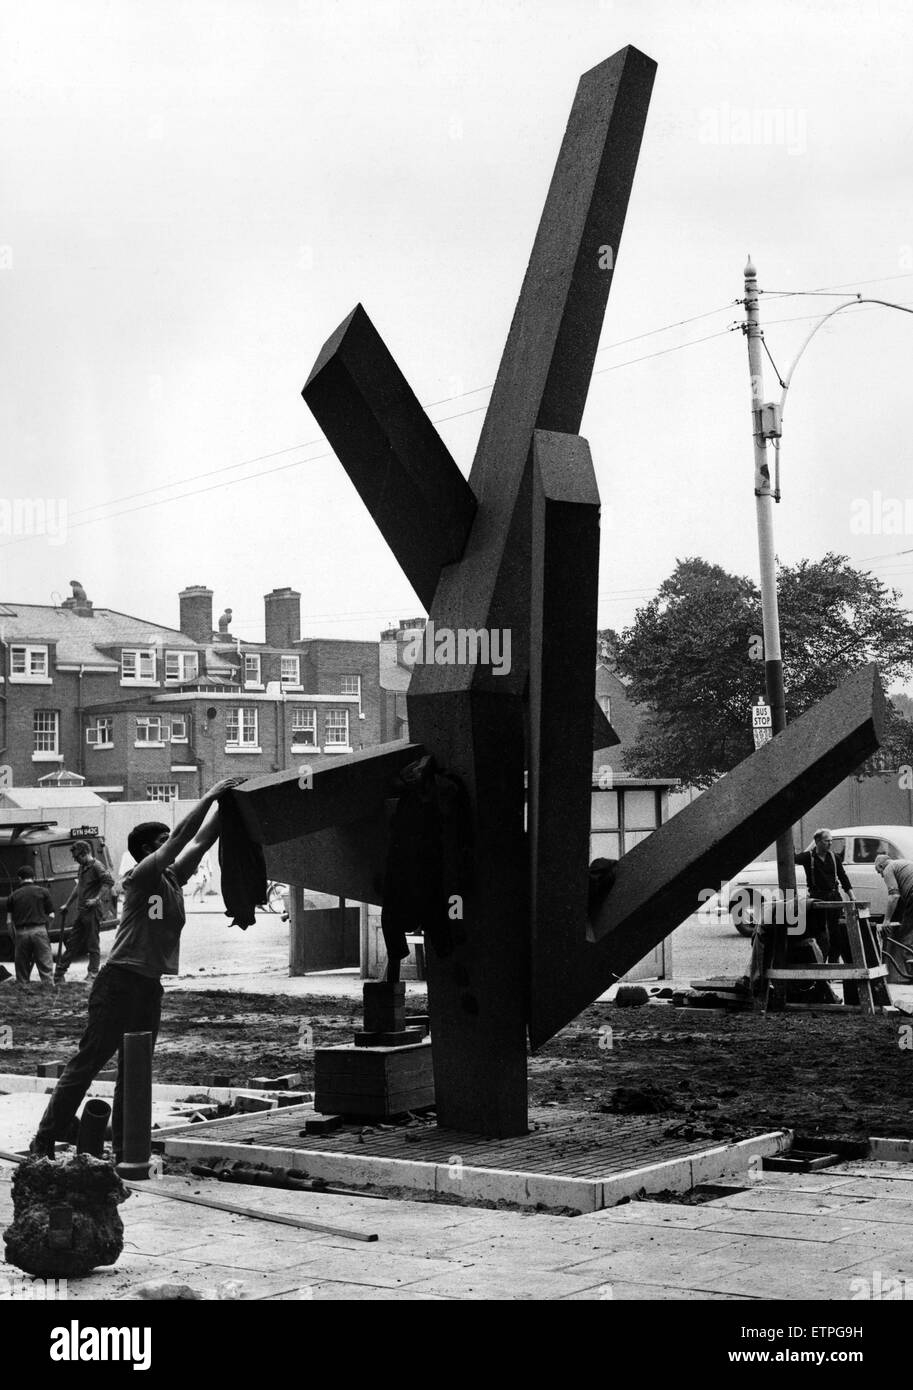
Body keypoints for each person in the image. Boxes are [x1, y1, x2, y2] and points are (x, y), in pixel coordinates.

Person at [30, 775, 247, 1161]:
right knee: (90, 1061)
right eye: (162, 843)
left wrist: (229, 807)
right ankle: (45, 1137)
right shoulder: (143, 875)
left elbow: (199, 842)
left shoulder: (172, 879)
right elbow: (183, 835)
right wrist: (211, 794)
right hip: (119, 983)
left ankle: (128, 1146)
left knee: (135, 1069)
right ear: (149, 850)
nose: (171, 848)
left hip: (148, 987)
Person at [54, 840, 114, 986]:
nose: (75, 859)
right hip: (81, 912)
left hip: (92, 911)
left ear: (84, 853)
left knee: (92, 944)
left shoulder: (97, 866)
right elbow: (79, 887)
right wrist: (67, 904)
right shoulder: (83, 867)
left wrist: (97, 899)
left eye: (76, 857)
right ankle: (59, 973)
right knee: (72, 943)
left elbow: (109, 882)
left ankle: (93, 974)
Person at [1, 866, 56, 989]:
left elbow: (9, 922)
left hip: (21, 933)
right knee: (45, 967)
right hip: (40, 930)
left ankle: (24, 991)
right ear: (34, 877)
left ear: (19, 878)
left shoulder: (13, 896)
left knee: (22, 969)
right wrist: (46, 930)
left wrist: (14, 938)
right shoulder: (43, 892)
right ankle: (48, 991)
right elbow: (52, 915)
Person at [875, 855, 913, 983]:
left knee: (907, 936)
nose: (881, 876)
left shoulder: (888, 869)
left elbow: (894, 896)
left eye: (878, 872)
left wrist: (887, 920)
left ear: (881, 866)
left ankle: (910, 973)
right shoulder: (903, 864)